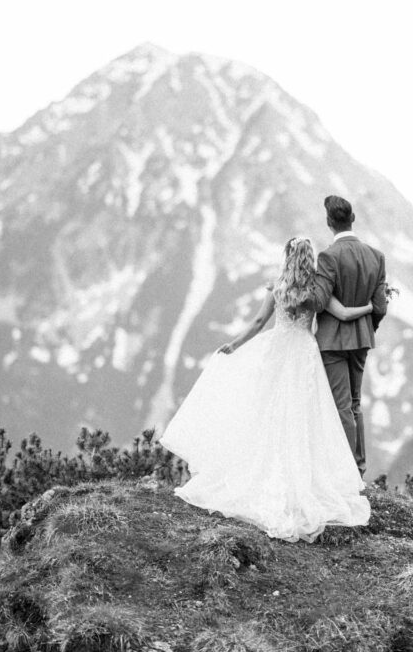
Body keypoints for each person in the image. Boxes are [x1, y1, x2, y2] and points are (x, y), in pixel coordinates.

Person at [159, 237, 372, 542]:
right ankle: (304, 476)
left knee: (266, 411)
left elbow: (259, 321)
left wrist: (234, 345)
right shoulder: (316, 292)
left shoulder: (278, 288)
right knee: (303, 416)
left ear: (287, 256)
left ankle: (262, 469)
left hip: (278, 350)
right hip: (304, 353)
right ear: (310, 259)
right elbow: (342, 314)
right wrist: (371, 305)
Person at [312, 195, 388, 478]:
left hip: (332, 341)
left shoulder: (328, 257)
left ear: (328, 222)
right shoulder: (376, 257)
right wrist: (367, 328)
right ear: (352, 219)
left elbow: (319, 301)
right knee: (355, 403)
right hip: (362, 339)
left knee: (341, 405)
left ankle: (345, 472)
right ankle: (358, 467)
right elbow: (380, 307)